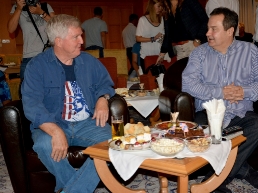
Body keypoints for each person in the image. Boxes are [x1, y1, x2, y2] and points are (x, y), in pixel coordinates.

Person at [182, 7, 258, 192]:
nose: (207, 33)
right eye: (208, 28)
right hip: (208, 113)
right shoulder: (199, 54)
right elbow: (188, 84)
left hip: (240, 112)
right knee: (200, 132)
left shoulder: (250, 51)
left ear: (230, 31)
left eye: (213, 29)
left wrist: (244, 91)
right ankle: (245, 171)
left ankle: (214, 180)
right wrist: (220, 92)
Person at [21, 14, 115, 193]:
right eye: (76, 37)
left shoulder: (88, 61)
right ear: (58, 41)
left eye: (81, 35)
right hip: (52, 123)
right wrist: (55, 131)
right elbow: (32, 104)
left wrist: (103, 98)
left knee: (115, 144)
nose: (81, 40)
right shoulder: (37, 66)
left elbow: (105, 83)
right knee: (43, 145)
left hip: (87, 123)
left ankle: (71, 190)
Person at [8, 0, 55, 80]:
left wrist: (41, 12)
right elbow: (11, 29)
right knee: (26, 87)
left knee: (50, 85)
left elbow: (57, 26)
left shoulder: (45, 6)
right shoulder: (17, 8)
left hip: (48, 55)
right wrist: (19, 9)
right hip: (29, 56)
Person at [136, 0, 167, 73]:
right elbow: (138, 38)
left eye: (161, 6)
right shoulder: (143, 20)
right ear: (151, 7)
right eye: (158, 6)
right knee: (149, 80)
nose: (160, 9)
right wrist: (153, 38)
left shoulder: (162, 19)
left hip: (160, 56)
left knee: (162, 80)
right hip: (147, 55)